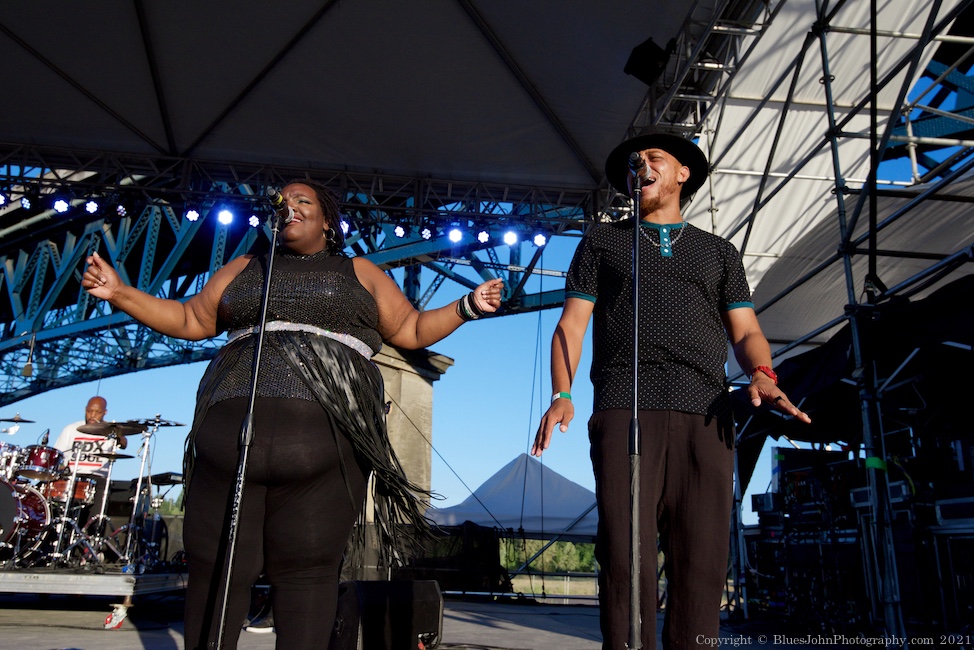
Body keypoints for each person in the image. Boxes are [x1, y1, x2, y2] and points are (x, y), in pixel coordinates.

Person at [81, 179, 504, 650]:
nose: (291, 205)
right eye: (284, 200)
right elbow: (190, 319)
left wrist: (468, 305)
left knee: (306, 575)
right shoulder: (246, 267)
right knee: (217, 569)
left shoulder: (358, 270)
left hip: (324, 441)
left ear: (328, 221)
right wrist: (119, 292)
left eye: (304, 200)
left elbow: (409, 328)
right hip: (230, 439)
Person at [532, 129, 811, 650]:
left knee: (702, 560)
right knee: (624, 555)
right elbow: (571, 326)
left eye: (654, 158)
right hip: (624, 404)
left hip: (705, 414)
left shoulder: (719, 252)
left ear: (683, 173)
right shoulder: (603, 239)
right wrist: (561, 394)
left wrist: (763, 374)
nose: (642, 166)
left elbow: (746, 331)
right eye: (636, 162)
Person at [52, 395, 127, 527]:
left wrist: (118, 433)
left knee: (94, 519)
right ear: (85, 410)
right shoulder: (71, 429)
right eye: (89, 411)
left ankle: (90, 536)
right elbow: (57, 456)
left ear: (105, 412)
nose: (92, 415)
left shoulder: (110, 431)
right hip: (73, 476)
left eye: (97, 412)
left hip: (98, 478)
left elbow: (124, 443)